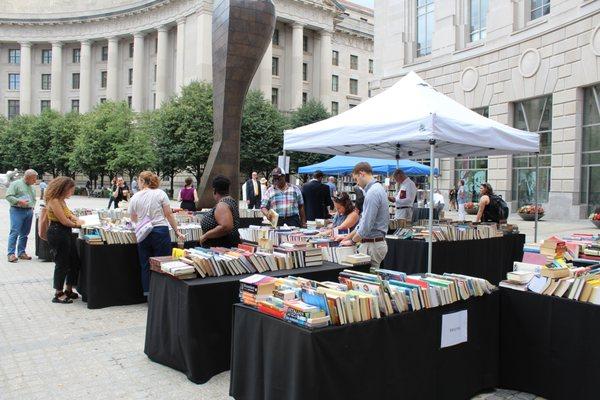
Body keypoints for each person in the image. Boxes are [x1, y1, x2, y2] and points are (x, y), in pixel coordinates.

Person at [129, 171, 185, 295]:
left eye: (139, 180)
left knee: (145, 264)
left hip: (143, 233)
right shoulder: (160, 194)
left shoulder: (135, 197)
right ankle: (161, 294)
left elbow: (133, 219)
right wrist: (176, 231)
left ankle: (149, 294)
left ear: (143, 181)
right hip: (160, 231)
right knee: (162, 262)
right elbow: (168, 214)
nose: (138, 183)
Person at [339, 162, 389, 268]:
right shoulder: (376, 189)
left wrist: (352, 241)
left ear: (362, 173)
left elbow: (366, 225)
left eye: (356, 179)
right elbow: (363, 223)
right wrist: (347, 238)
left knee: (371, 281)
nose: (357, 184)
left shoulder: (373, 192)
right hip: (373, 243)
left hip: (372, 244)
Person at [45, 176, 85, 304]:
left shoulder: (62, 200)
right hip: (57, 233)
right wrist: (79, 225)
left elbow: (69, 214)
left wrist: (76, 219)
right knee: (62, 263)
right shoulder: (54, 201)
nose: (72, 193)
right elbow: (63, 220)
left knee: (74, 260)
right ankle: (58, 293)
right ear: (63, 188)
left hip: (65, 232)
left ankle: (69, 288)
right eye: (71, 190)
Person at [199, 175, 241, 248]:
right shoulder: (230, 201)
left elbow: (226, 226)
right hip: (225, 245)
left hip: (221, 247)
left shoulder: (222, 205)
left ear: (214, 190)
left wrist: (206, 235)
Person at [6, 169, 37, 263]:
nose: (35, 181)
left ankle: (21, 252)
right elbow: (8, 196)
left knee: (25, 234)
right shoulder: (15, 184)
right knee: (14, 232)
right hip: (17, 210)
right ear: (28, 177)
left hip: (29, 211)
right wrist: (19, 201)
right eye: (34, 179)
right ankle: (11, 254)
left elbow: (33, 198)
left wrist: (32, 207)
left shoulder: (31, 187)